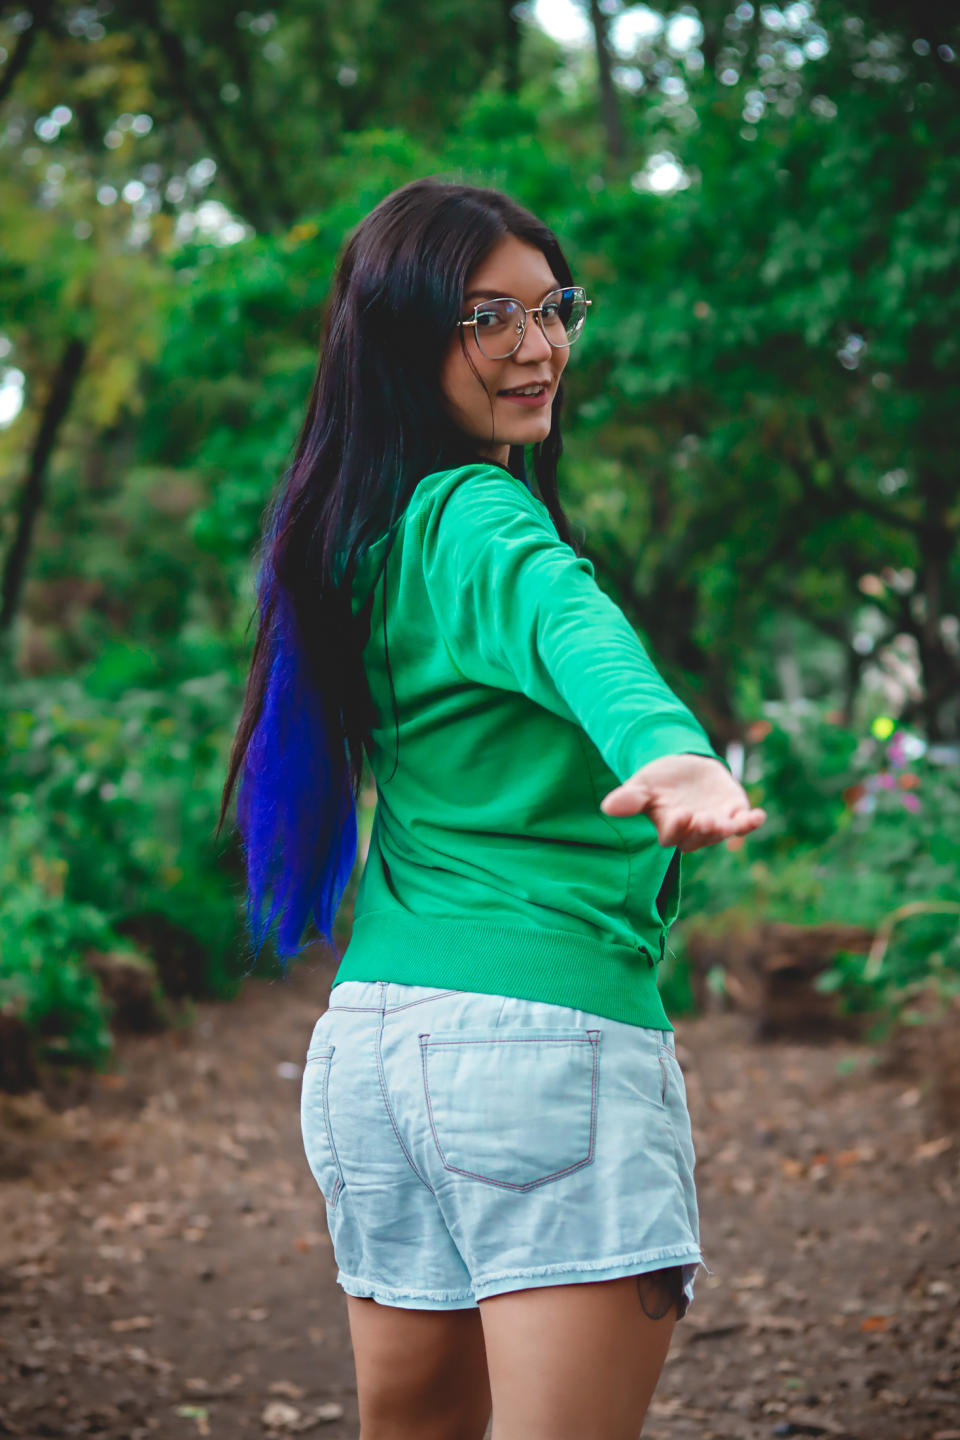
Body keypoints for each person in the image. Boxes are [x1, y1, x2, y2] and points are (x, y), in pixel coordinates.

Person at [219, 177, 766, 1440]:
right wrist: (673, 750)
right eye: (488, 318)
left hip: (373, 1049)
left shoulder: (358, 535)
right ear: (404, 341)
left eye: (553, 307)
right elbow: (577, 632)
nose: (539, 346)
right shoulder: (476, 514)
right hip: (533, 1048)